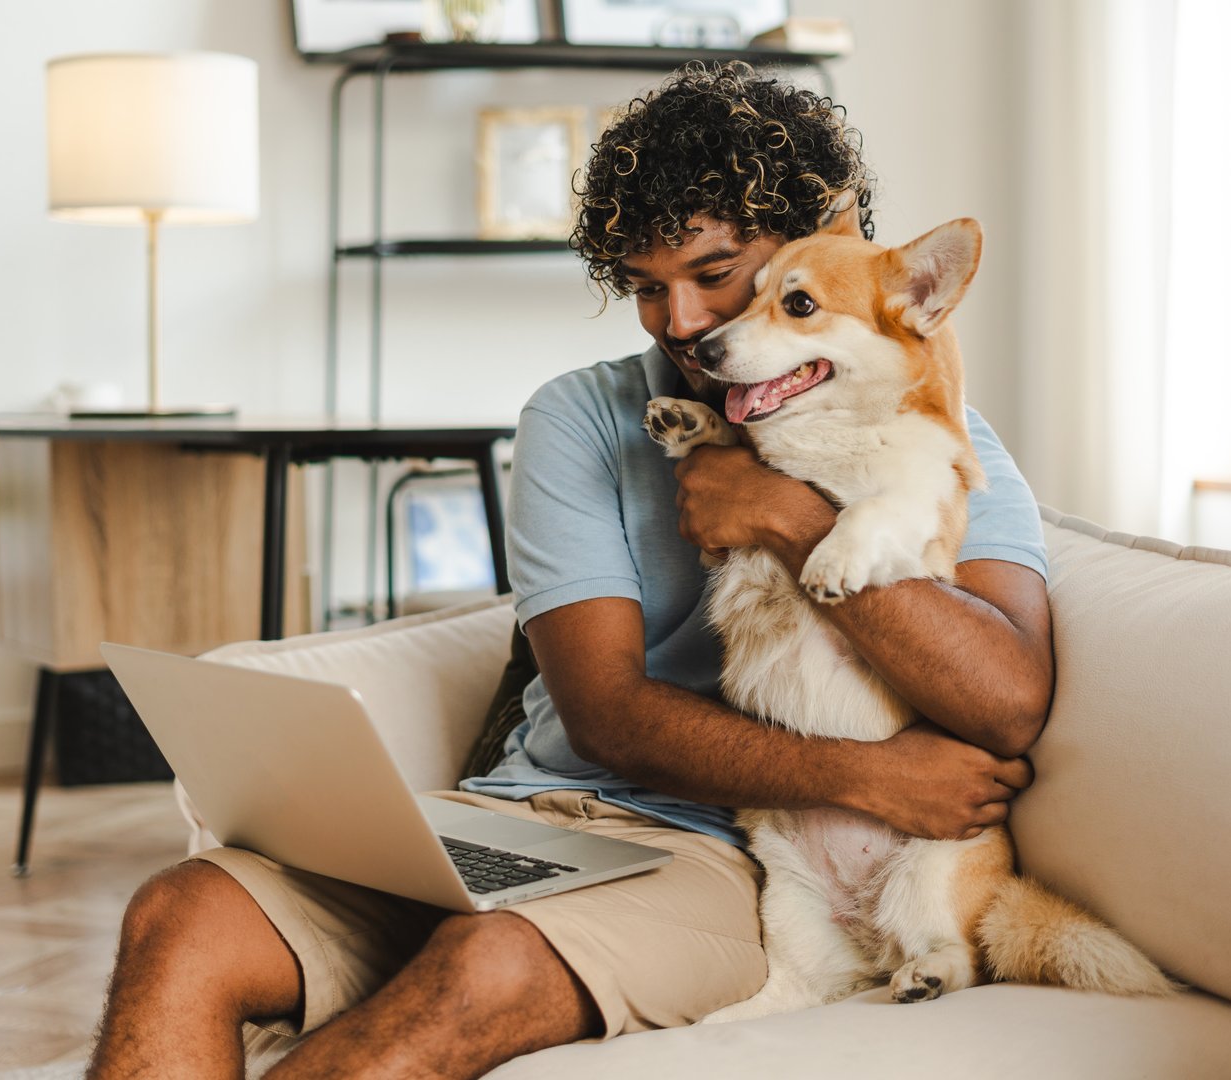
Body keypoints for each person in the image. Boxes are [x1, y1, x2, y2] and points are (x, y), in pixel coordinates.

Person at [86, 61, 1052, 1079]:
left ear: (825, 239)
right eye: (645, 288)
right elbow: (605, 714)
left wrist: (787, 518)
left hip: (717, 856)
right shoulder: (581, 416)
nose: (680, 324)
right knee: (183, 909)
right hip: (509, 815)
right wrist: (865, 776)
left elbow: (1008, 701)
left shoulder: (940, 441)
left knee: (488, 965)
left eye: (713, 274)